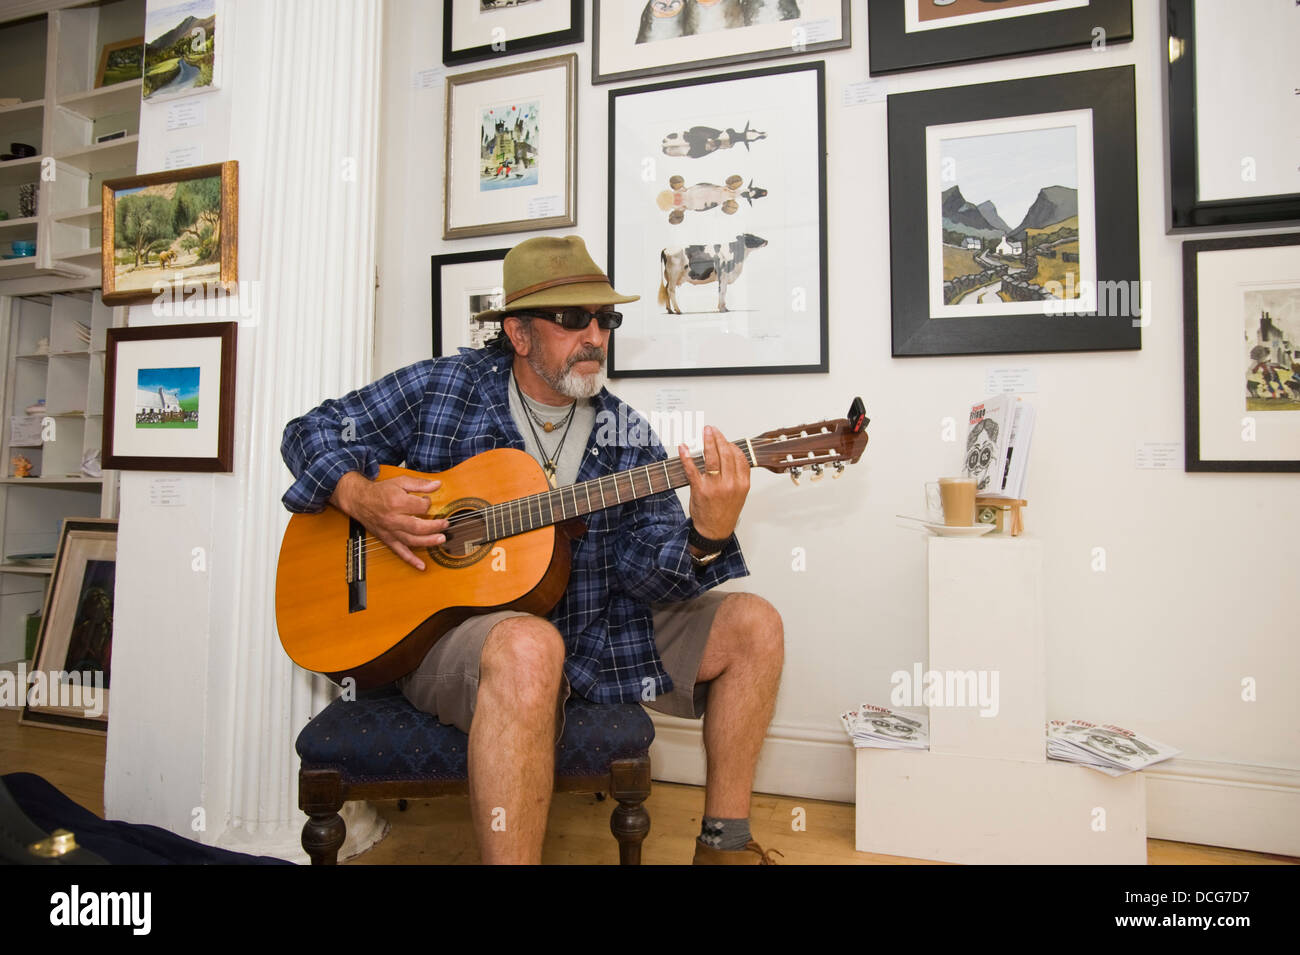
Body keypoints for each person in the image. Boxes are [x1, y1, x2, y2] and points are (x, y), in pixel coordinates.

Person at [280, 235, 784, 864]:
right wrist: (359, 495)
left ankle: (724, 845)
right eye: (574, 319)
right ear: (517, 334)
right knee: (526, 645)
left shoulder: (626, 434)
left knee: (755, 624)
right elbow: (308, 431)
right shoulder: (448, 386)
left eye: (606, 319)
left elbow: (647, 572)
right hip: (449, 636)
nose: (595, 336)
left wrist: (707, 535)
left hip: (594, 629)